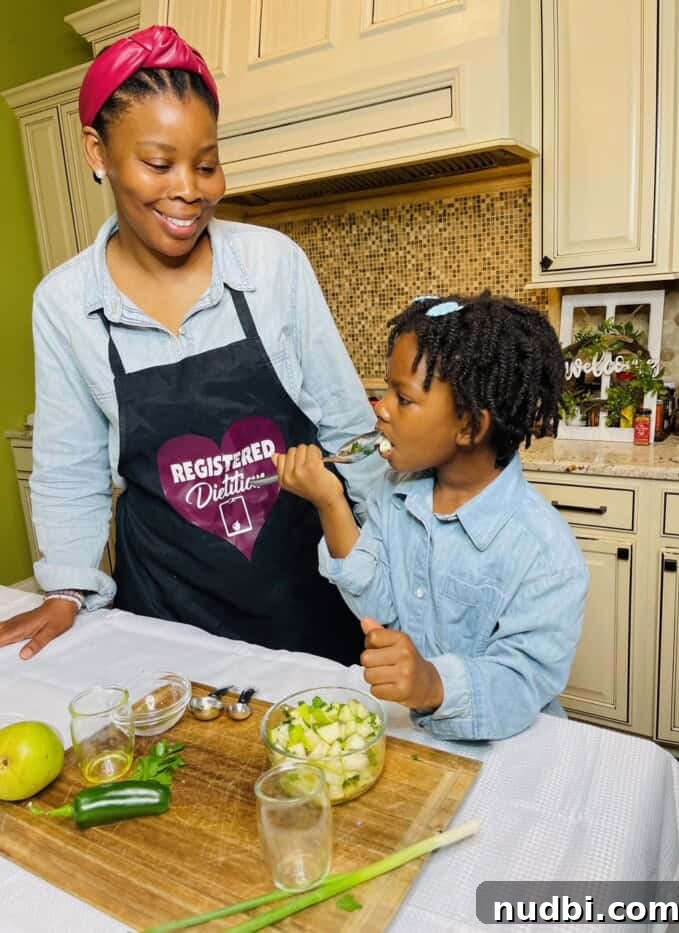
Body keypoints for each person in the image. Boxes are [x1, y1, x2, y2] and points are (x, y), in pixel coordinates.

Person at [0, 26, 385, 665]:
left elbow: (348, 434)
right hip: (165, 614)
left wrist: (388, 565)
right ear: (98, 153)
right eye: (159, 163)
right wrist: (68, 586)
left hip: (304, 595)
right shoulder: (65, 303)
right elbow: (71, 470)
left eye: (206, 164)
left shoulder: (271, 265)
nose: (190, 189)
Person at [272, 293, 590, 740]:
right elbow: (375, 607)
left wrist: (433, 684)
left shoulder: (545, 553)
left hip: (510, 746)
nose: (379, 407)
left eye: (402, 398)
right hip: (413, 733)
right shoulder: (396, 491)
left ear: (469, 427)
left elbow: (524, 683)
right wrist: (330, 503)